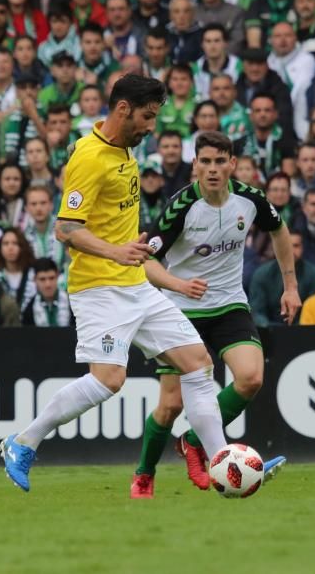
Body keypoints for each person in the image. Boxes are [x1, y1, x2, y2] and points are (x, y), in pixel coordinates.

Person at [0, 75, 231, 493]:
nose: (151, 127)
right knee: (108, 379)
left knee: (198, 363)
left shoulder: (123, 149)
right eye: (146, 116)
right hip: (99, 287)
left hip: (136, 284)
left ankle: (223, 462)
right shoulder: (89, 157)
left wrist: (129, 252)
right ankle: (23, 441)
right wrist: (116, 252)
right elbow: (65, 229)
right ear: (122, 108)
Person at [128, 130, 299, 497]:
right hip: (179, 312)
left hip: (228, 305)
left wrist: (291, 287)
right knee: (171, 404)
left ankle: (194, 441)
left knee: (251, 378)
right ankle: (144, 474)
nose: (212, 169)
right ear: (195, 165)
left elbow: (279, 231)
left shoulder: (250, 199)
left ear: (232, 164)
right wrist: (177, 285)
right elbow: (146, 262)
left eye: (220, 162)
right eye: (205, 161)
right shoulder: (182, 206)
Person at [21, 258, 71, 327]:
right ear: (35, 280)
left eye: (51, 278)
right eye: (42, 279)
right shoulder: (28, 310)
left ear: (57, 276)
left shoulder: (72, 304)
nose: (48, 284)